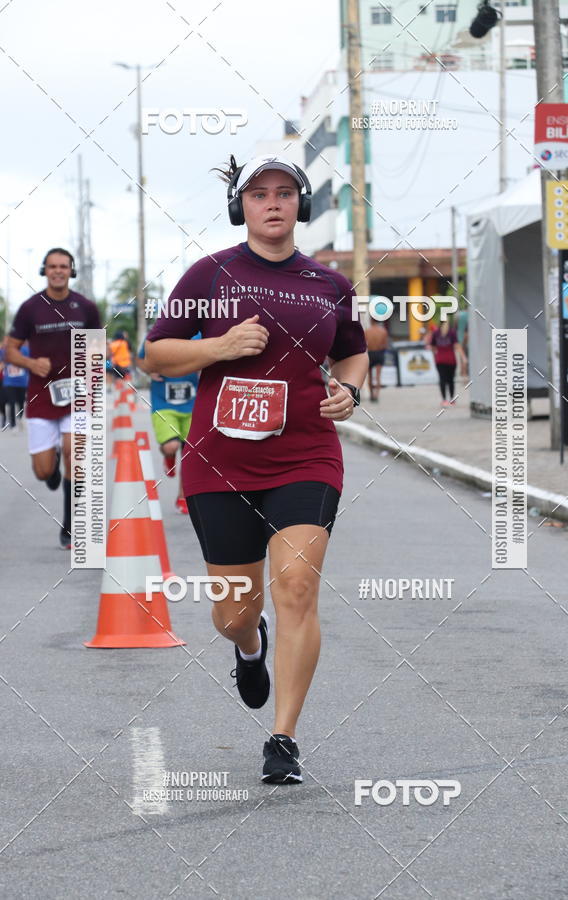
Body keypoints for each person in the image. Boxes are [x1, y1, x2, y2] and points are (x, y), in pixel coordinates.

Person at [145, 154, 368, 784]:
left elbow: (352, 356)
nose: (273, 203)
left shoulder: (329, 284)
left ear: (301, 206)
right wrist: (220, 346)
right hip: (220, 461)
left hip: (306, 453)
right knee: (234, 612)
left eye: (285, 193)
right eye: (259, 194)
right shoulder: (208, 274)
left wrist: (350, 392)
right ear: (240, 207)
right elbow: (156, 355)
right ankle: (250, 644)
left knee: (297, 586)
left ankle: (284, 738)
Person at [6, 248, 101, 549]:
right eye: (52, 266)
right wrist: (31, 364)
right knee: (44, 471)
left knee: (76, 454)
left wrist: (93, 368)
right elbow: (9, 350)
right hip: (41, 395)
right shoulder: (30, 308)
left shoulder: (85, 307)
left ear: (71, 271)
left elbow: (98, 349)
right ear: (44, 270)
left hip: (77, 393)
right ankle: (53, 462)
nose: (58, 271)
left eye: (64, 266)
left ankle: (70, 527)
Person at [136, 332, 201, 514]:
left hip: (192, 404)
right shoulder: (157, 334)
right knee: (172, 446)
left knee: (190, 454)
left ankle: (183, 496)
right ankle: (168, 455)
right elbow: (140, 360)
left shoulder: (199, 334)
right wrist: (149, 369)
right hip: (163, 403)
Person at [426, 319, 466, 407]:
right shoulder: (452, 333)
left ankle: (444, 400)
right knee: (450, 380)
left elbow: (432, 346)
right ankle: (452, 399)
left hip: (440, 359)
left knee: (442, 379)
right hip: (451, 359)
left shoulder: (436, 333)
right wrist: (463, 357)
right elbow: (457, 346)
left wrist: (435, 353)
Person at [2, 337, 29, 429]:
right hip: (9, 382)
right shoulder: (5, 351)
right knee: (11, 402)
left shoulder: (25, 350)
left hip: (22, 382)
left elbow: (30, 363)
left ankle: (20, 418)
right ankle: (13, 424)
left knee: (21, 402)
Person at [364, 319, 389, 402]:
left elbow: (364, 344)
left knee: (370, 376)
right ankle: (376, 395)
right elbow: (385, 345)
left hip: (370, 353)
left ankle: (371, 395)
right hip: (379, 353)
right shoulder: (383, 331)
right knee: (378, 376)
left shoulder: (367, 331)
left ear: (371, 321)